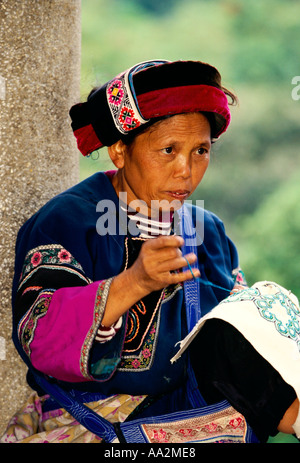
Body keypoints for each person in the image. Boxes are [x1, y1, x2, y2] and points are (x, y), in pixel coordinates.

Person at [1, 60, 298, 444]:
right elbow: (39, 334)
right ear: (120, 151)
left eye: (200, 151)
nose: (185, 171)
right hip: (99, 420)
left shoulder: (208, 231)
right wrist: (134, 282)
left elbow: (238, 342)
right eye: (169, 149)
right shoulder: (69, 222)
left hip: (197, 412)